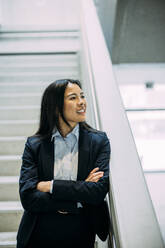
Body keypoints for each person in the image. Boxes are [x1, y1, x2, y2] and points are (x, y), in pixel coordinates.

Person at [17, 79, 111, 248]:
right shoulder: (34, 145)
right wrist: (79, 194)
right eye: (73, 97)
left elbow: (97, 191)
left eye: (82, 96)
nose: (81, 102)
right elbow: (28, 197)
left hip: (81, 233)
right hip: (38, 234)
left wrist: (51, 186)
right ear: (55, 106)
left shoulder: (99, 141)